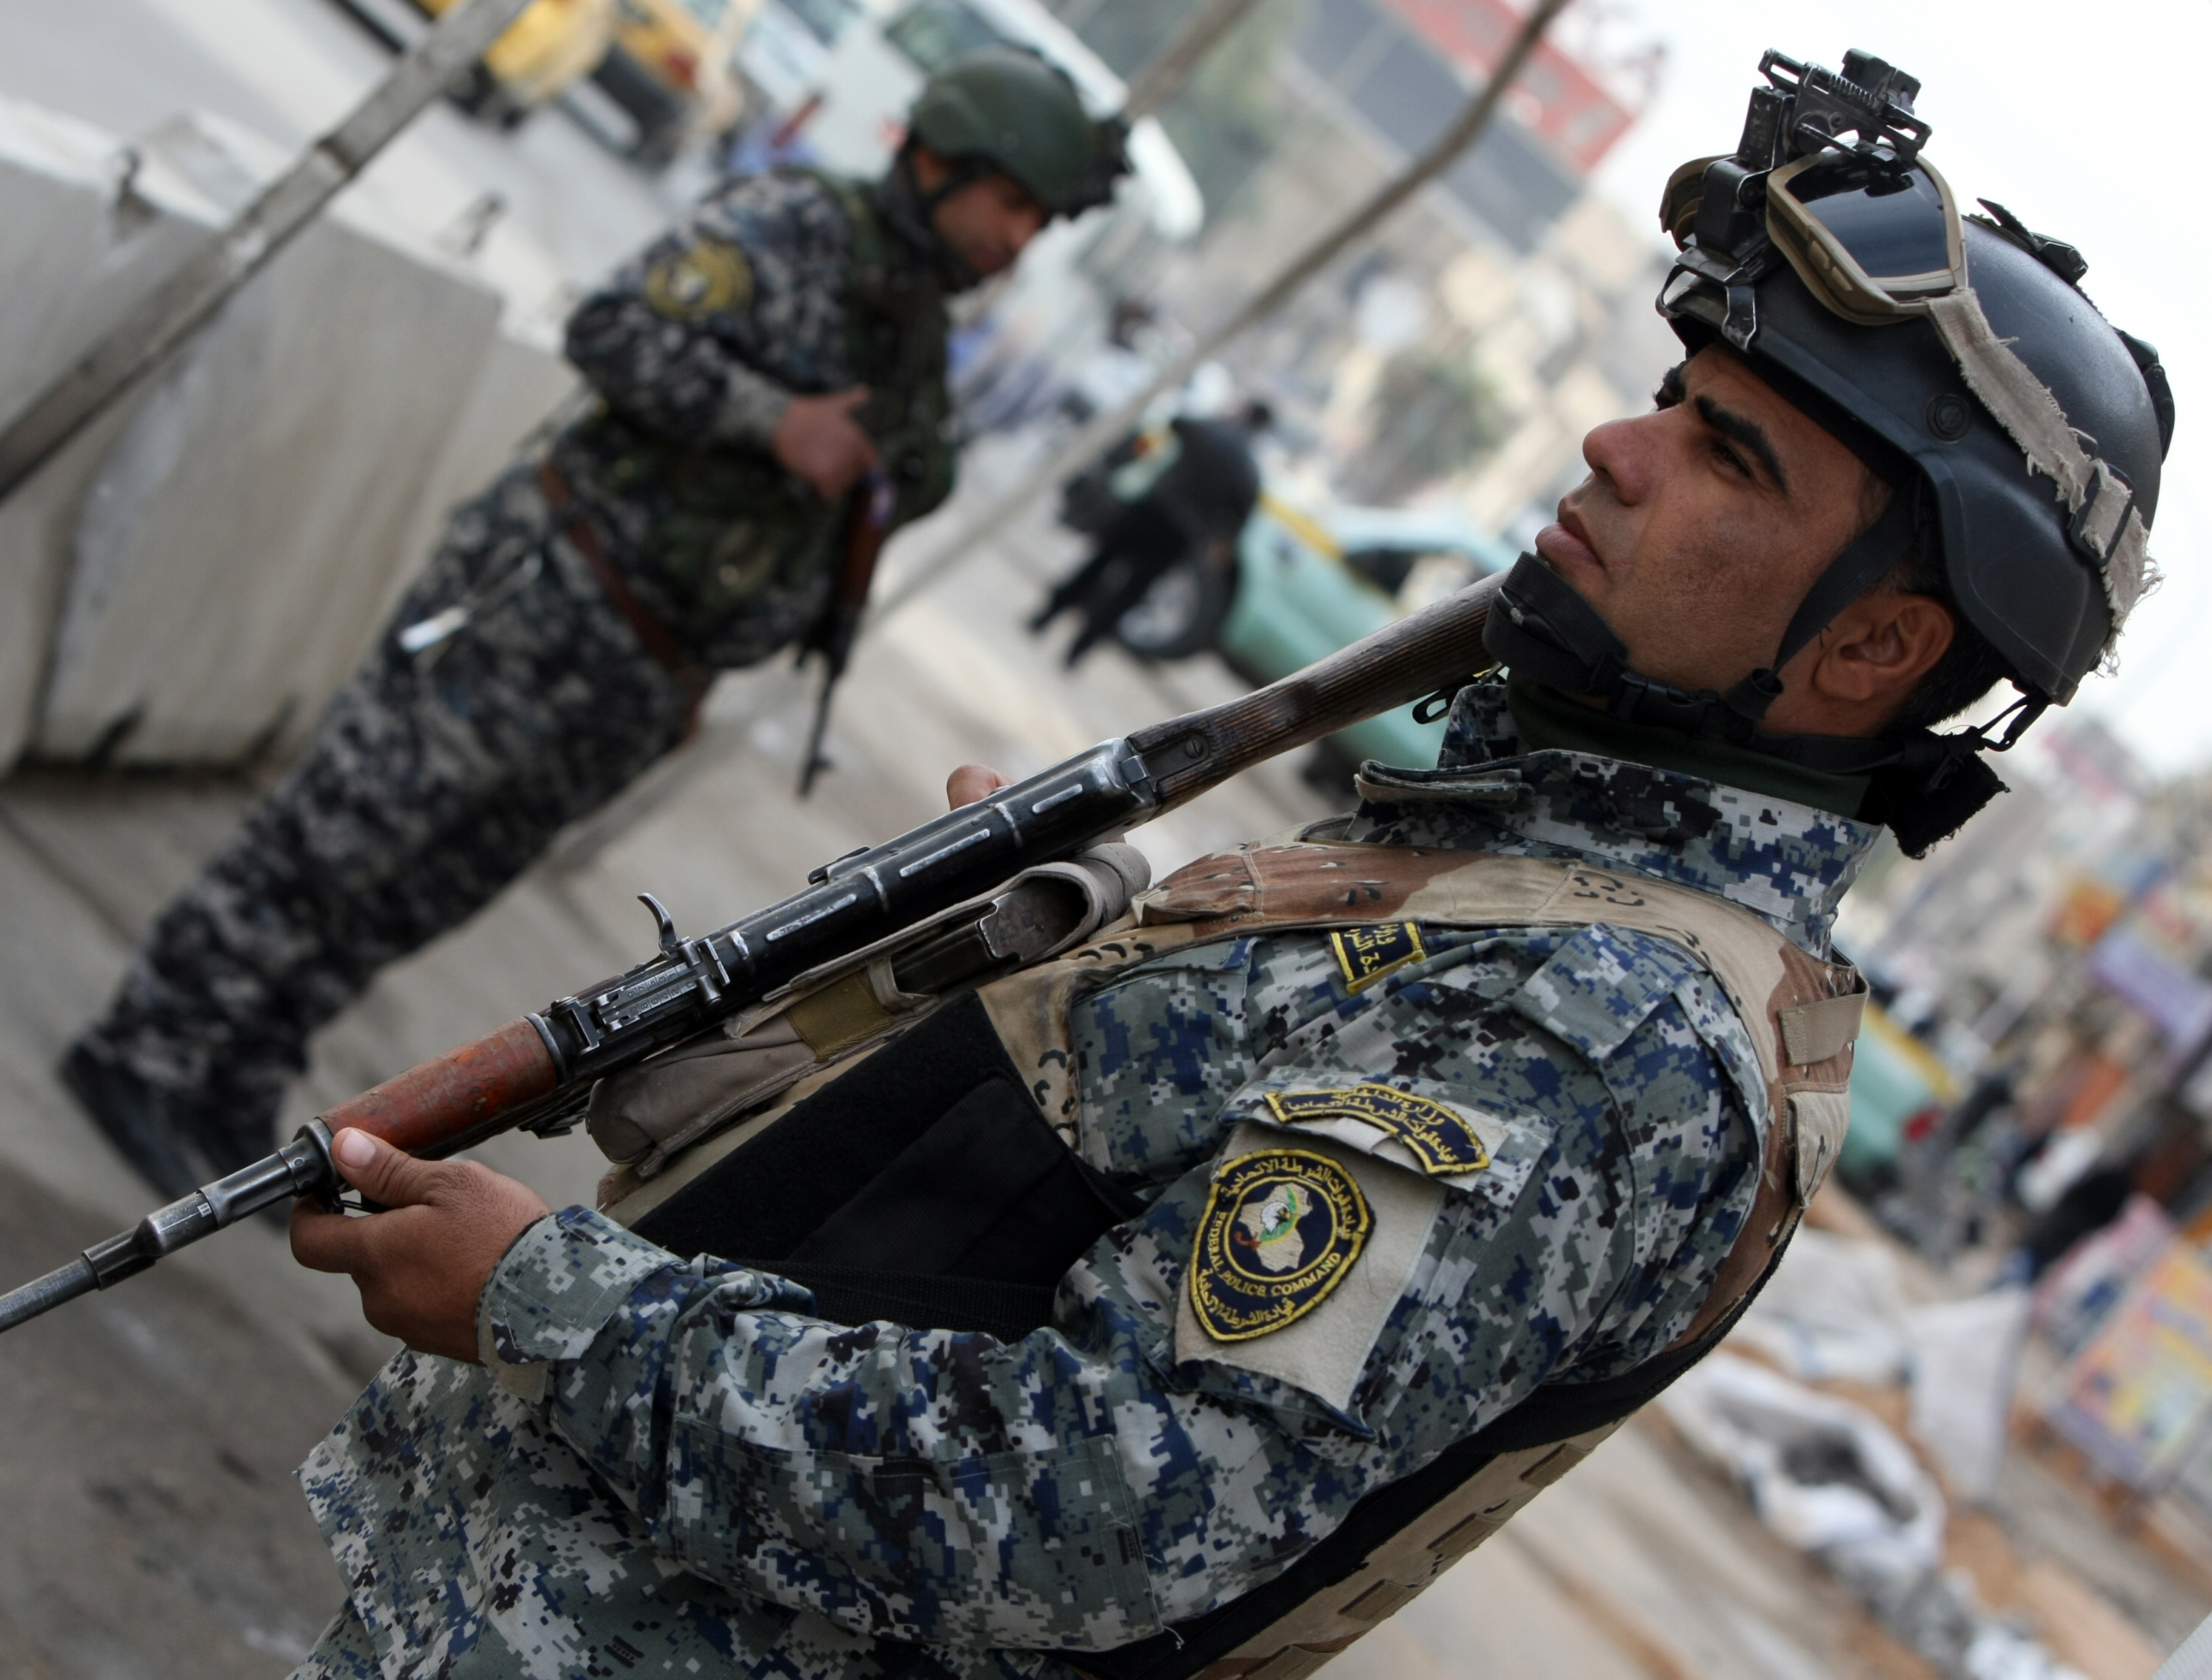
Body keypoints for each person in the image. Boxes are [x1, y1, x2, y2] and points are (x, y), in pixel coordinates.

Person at [280, 49, 2173, 1679]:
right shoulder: (1524, 879)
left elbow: (1085, 1510)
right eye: (1672, 397)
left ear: (1872, 648)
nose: (1617, 446)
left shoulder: (1607, 1036)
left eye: (1730, 457)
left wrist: (548, 1305)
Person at [58, 48, 1129, 1199]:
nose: (1019, 237)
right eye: (1010, 202)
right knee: (345, 832)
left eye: (1038, 219)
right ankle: (144, 1045)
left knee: (425, 889)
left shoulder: (911, 326)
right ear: (938, 160)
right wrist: (773, 420)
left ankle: (238, 1073)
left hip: (641, 672)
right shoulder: (797, 223)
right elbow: (612, 329)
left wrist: (697, 672)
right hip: (551, 599)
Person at [1031, 400, 1273, 665]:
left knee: (1098, 562)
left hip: (1152, 509)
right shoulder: (1250, 471)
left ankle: (1045, 616)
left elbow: (1177, 422)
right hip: (1181, 534)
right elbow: (1236, 525)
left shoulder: (1211, 431)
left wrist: (1219, 418)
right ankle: (1079, 650)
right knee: (1131, 592)